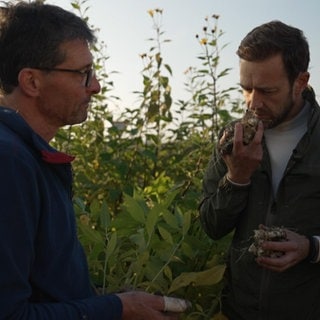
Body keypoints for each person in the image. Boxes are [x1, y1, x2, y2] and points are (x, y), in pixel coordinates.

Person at [0, 2, 183, 319]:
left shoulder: (27, 155)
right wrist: (118, 308)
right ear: (31, 82)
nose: (96, 86)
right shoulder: (9, 162)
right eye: (83, 74)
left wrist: (99, 302)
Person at [200, 20, 320, 320]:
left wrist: (311, 248)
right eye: (246, 89)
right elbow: (211, 227)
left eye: (267, 91)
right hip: (239, 310)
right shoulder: (234, 138)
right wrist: (236, 177)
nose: (253, 103)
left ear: (300, 82)